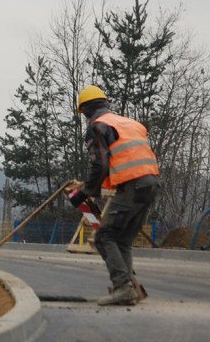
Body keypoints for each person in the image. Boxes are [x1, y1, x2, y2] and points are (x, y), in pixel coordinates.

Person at [69, 85, 161, 306]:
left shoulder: (98, 127)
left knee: (104, 237)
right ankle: (129, 288)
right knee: (123, 240)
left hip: (132, 185)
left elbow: (100, 165)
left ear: (85, 111)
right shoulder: (129, 123)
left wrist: (82, 193)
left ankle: (122, 288)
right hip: (151, 183)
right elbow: (122, 159)